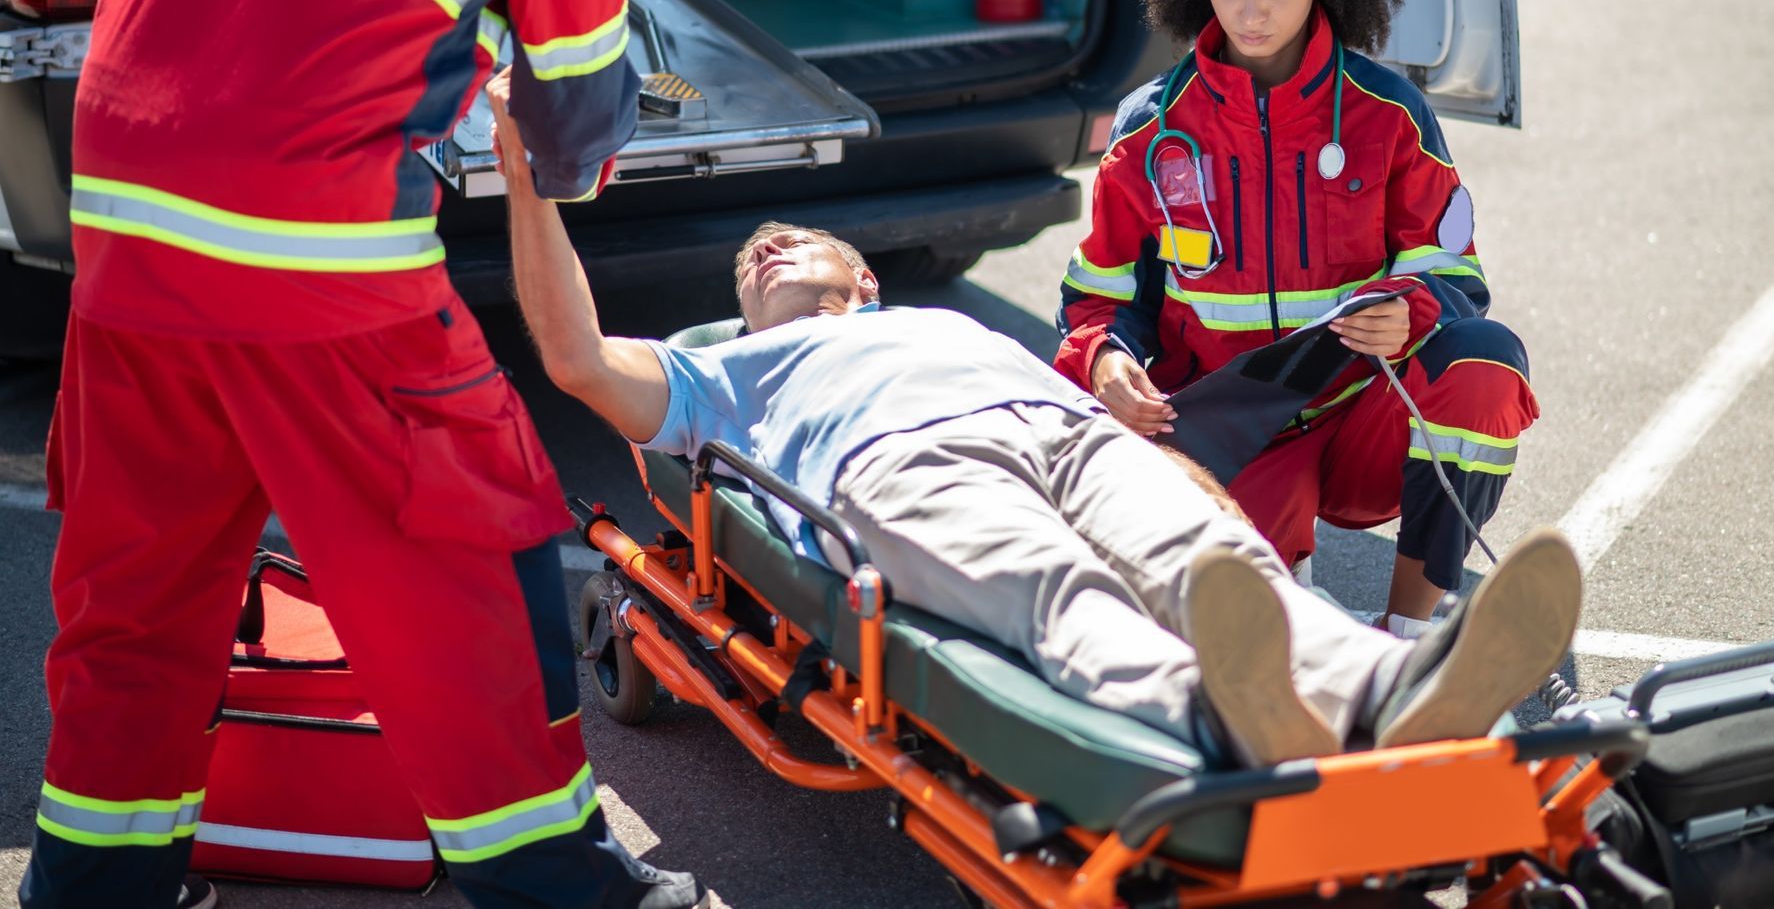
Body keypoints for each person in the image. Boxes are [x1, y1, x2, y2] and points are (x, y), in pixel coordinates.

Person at [23, 0, 706, 907]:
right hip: (320, 268)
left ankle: (92, 885)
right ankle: (553, 882)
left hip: (124, 240)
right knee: (464, 554)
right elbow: (575, 132)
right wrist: (484, 103)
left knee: (141, 576)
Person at [489, 74, 1583, 771]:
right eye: (748, 262)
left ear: (862, 277)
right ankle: (1219, 714)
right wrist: (527, 179)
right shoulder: (721, 372)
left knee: (1210, 561)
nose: (762, 253)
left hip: (1061, 431)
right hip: (899, 467)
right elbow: (576, 358)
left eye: (789, 242)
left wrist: (1193, 484)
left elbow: (1111, 409)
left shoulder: (953, 326)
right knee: (1066, 597)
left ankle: (1400, 684)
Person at [1055, 0, 1539, 637]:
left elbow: (1454, 276)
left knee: (1487, 363)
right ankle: (1290, 590)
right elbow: (1096, 302)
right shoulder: (1150, 132)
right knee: (1259, 641)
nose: (1251, 11)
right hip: (1231, 435)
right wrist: (1105, 361)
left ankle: (1412, 632)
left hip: (1363, 417)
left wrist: (1411, 310)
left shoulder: (1390, 112)